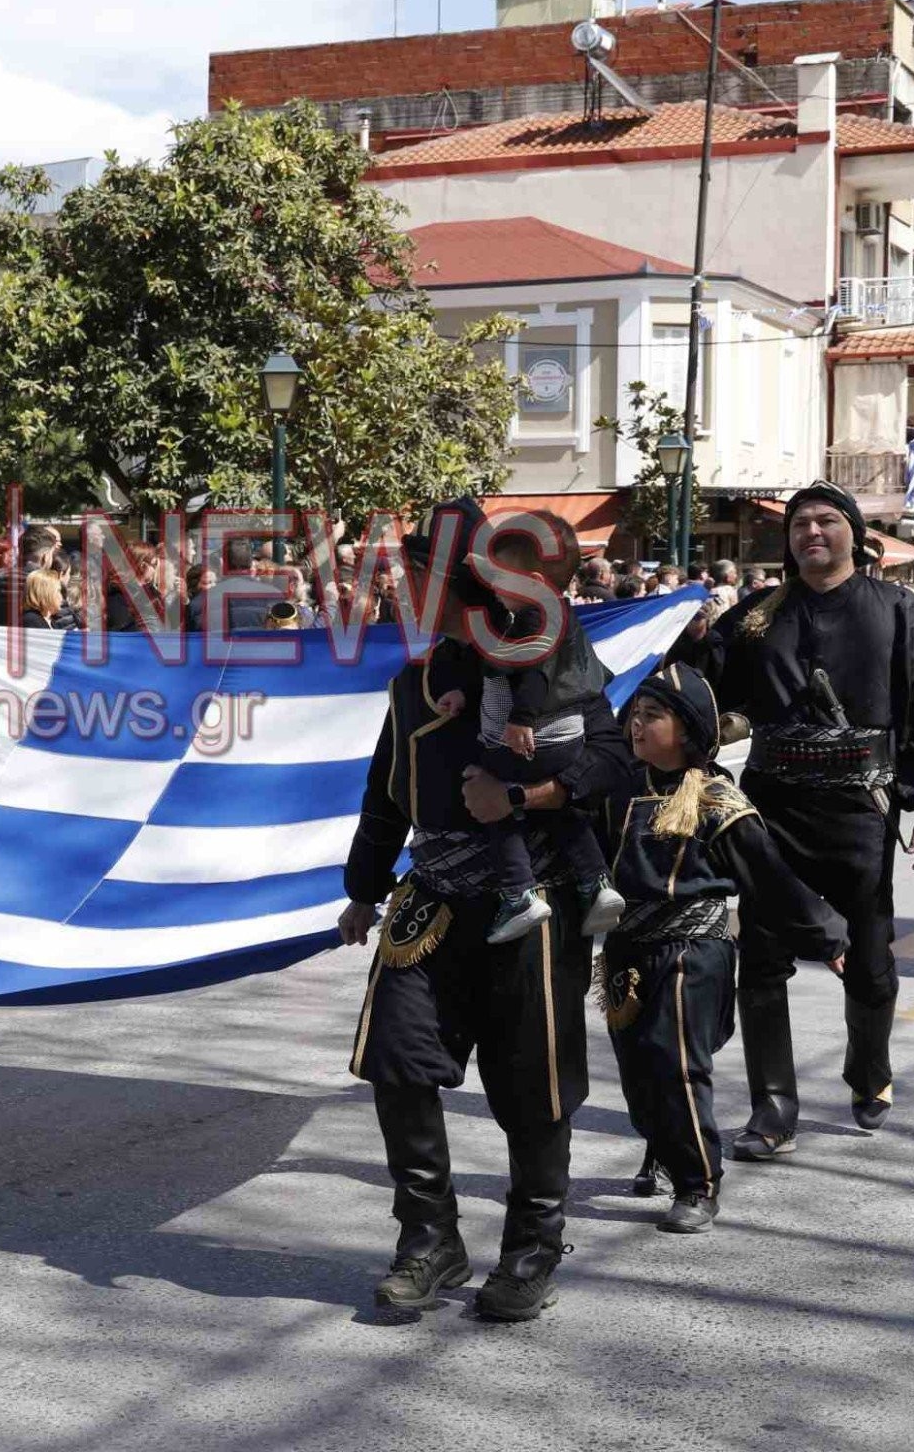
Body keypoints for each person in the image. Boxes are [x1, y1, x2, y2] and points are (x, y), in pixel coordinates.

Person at [335, 495, 628, 1321]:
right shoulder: (413, 682)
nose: (400, 589)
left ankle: (531, 1251)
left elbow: (613, 765)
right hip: (429, 900)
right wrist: (361, 891)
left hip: (529, 901)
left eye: (414, 573)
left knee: (532, 1085)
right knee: (397, 1062)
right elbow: (386, 795)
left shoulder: (553, 662)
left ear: (456, 582)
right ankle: (429, 1242)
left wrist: (527, 796)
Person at [690, 481, 914, 1157]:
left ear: (852, 533)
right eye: (800, 525)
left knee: (869, 965)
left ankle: (869, 1071)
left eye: (825, 521)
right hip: (769, 810)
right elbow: (695, 690)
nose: (812, 533)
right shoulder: (756, 616)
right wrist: (690, 648)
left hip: (859, 810)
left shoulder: (898, 610)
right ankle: (773, 1111)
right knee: (760, 963)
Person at [597, 662, 845, 1234]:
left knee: (675, 1063)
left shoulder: (717, 801)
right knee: (637, 1071)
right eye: (634, 716)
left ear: (686, 728)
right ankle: (660, 1145)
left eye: (652, 716)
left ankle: (697, 1183)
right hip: (627, 949)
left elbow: (771, 877)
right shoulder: (617, 793)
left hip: (693, 949)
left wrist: (827, 937)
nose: (637, 726)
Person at [432, 518, 623, 947]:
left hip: (537, 737)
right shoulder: (551, 615)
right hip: (561, 742)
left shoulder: (534, 618)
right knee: (562, 813)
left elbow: (531, 677)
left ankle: (518, 892)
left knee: (491, 790)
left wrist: (520, 723)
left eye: (498, 578)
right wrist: (465, 692)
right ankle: (596, 882)